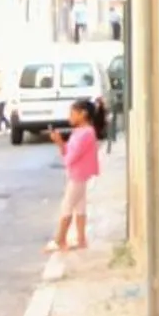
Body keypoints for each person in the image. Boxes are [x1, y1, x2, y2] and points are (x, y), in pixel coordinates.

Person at [45, 99, 100, 253]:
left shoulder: (86, 133)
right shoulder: (80, 132)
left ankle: (60, 239)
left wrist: (63, 147)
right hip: (78, 174)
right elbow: (67, 150)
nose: (70, 116)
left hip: (78, 174)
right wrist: (60, 142)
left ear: (83, 114)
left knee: (67, 206)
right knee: (79, 206)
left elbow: (70, 157)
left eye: (72, 113)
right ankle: (81, 239)